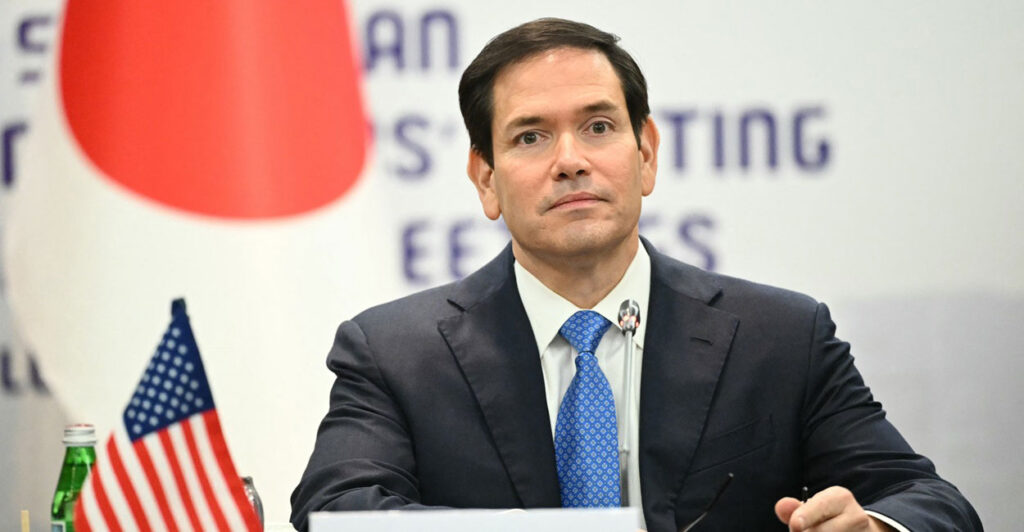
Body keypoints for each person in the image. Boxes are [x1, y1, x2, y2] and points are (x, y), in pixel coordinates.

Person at [291, 18, 981, 532]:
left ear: (645, 154)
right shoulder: (395, 353)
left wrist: (874, 527)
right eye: (531, 136)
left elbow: (928, 501)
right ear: (486, 179)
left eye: (598, 127)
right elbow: (336, 508)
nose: (570, 160)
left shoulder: (781, 336)